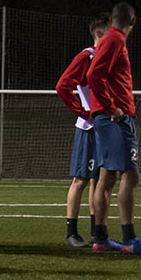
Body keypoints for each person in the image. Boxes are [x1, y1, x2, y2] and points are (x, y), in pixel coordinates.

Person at [87, 2, 141, 256]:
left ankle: (101, 238)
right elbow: (94, 74)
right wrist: (112, 107)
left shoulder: (111, 40)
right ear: (133, 21)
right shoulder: (115, 40)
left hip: (109, 117)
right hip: (114, 118)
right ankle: (129, 238)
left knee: (108, 177)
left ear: (111, 18)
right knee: (131, 175)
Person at [55, 13, 109, 247]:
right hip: (88, 129)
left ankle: (97, 232)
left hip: (104, 129)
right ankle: (71, 233)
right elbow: (63, 85)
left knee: (98, 180)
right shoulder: (86, 57)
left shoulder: (106, 58)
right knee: (81, 180)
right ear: (100, 33)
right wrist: (83, 112)